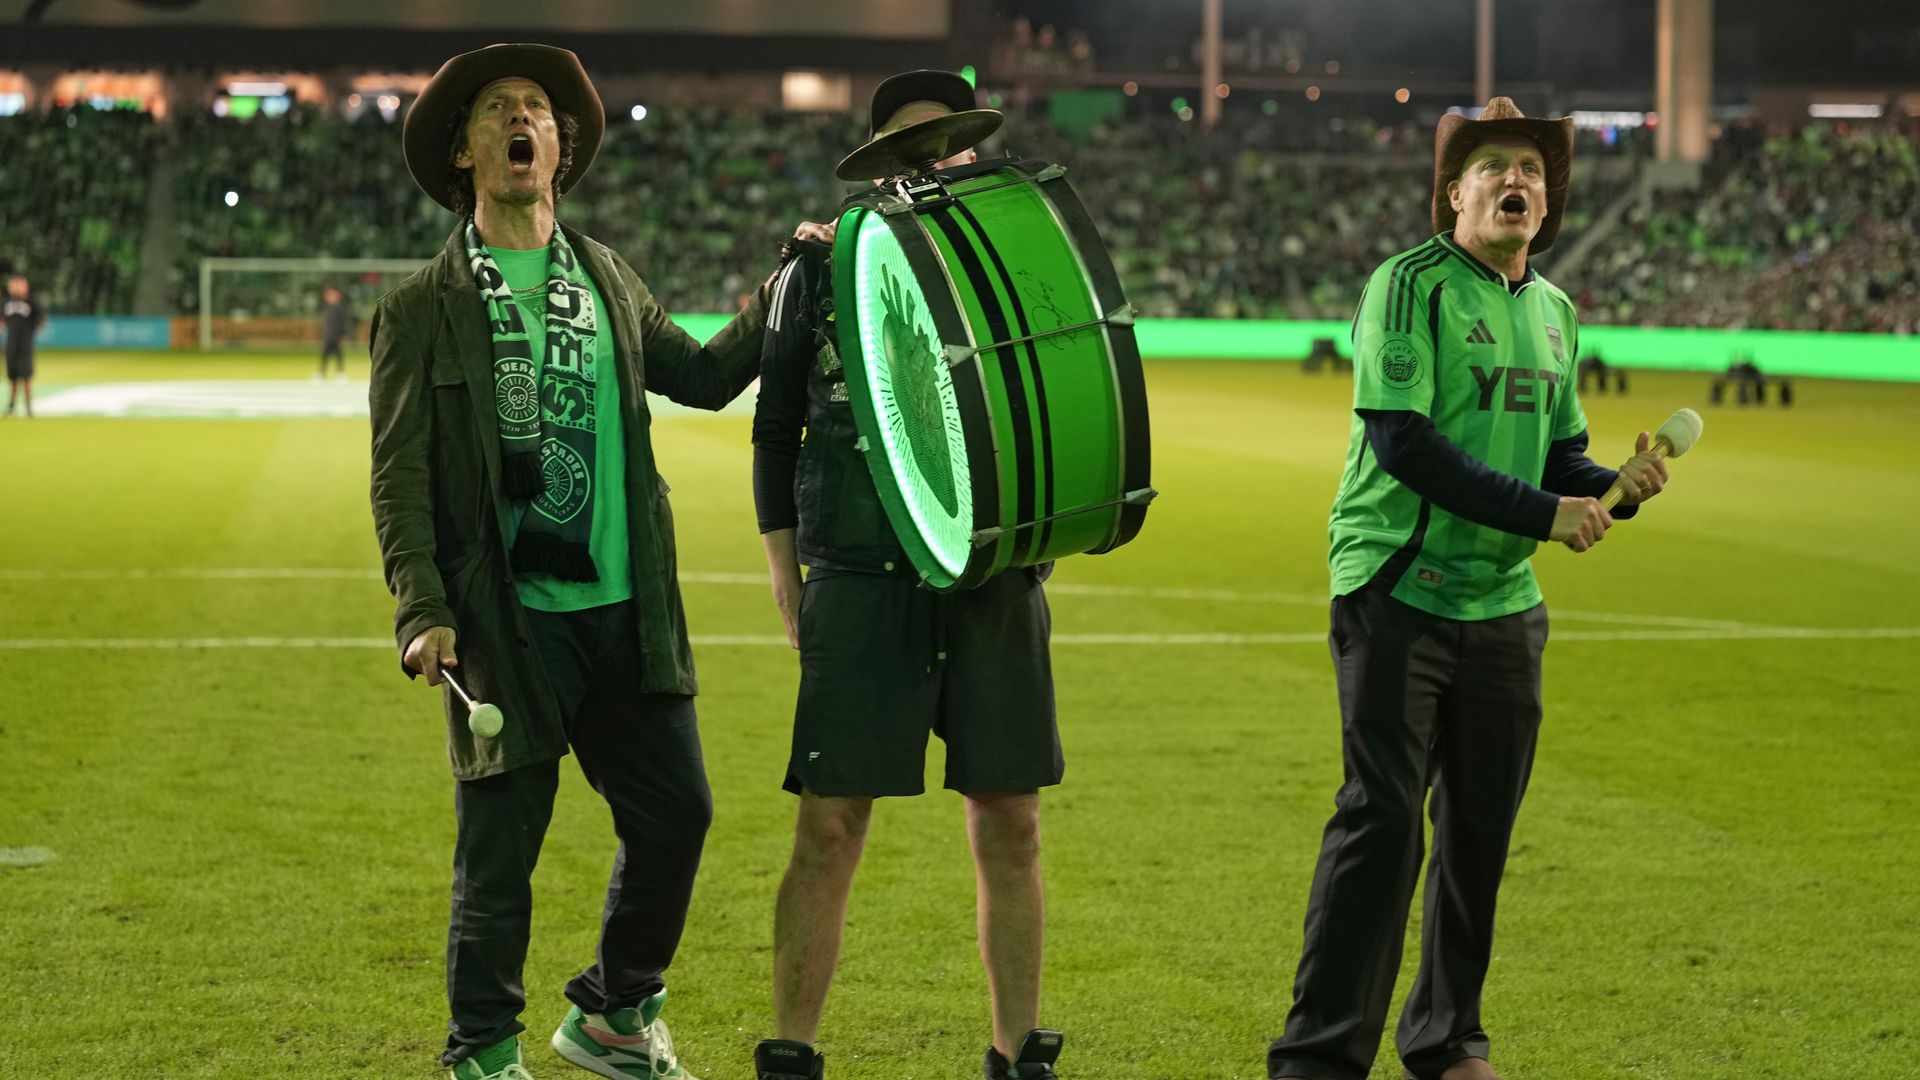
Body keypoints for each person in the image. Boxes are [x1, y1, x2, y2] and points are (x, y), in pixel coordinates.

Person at [367, 43, 819, 1080]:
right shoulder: (421, 309)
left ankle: (615, 1013)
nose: (523, 118)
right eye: (497, 110)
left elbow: (703, 377)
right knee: (500, 859)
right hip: (502, 623)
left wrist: (786, 287)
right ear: (466, 153)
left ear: (560, 150)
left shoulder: (607, 276)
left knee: (680, 815)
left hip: (625, 608)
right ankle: (481, 1052)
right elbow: (400, 479)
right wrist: (421, 608)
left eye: (538, 108)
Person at [1267, 97, 1671, 1080]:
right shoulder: (1408, 288)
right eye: (1491, 167)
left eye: (1530, 169)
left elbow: (1561, 456)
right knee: (1384, 823)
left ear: (1548, 201)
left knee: (1479, 834)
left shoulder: (1557, 311)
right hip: (1397, 583)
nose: (1514, 181)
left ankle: (1447, 1039)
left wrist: (1617, 488)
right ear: (1453, 193)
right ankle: (1318, 1057)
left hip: (1501, 608)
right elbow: (1405, 444)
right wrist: (1546, 515)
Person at [748, 71, 1065, 1080]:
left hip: (992, 580)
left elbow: (1064, 403)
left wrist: (1039, 541)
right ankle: (791, 1052)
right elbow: (773, 428)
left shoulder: (1021, 261)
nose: (933, 163)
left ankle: (1017, 1053)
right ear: (880, 165)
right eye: (910, 148)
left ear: (973, 152)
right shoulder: (821, 263)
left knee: (1010, 823)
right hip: (856, 566)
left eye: (950, 144)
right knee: (829, 824)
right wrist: (786, 575)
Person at [3, 275, 46, 418]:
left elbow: (41, 318)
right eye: (13, 284)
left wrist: (37, 327)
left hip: (26, 346)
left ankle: (29, 407)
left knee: (27, 377)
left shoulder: (31, 303)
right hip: (11, 345)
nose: (15, 287)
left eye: (18, 284)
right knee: (13, 378)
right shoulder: (5, 302)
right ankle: (11, 407)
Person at [318, 286, 354, 380]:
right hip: (328, 336)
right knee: (324, 355)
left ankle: (340, 373)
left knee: (339, 355)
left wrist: (344, 335)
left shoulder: (341, 308)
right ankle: (322, 373)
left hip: (337, 336)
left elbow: (345, 323)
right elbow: (326, 324)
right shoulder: (327, 308)